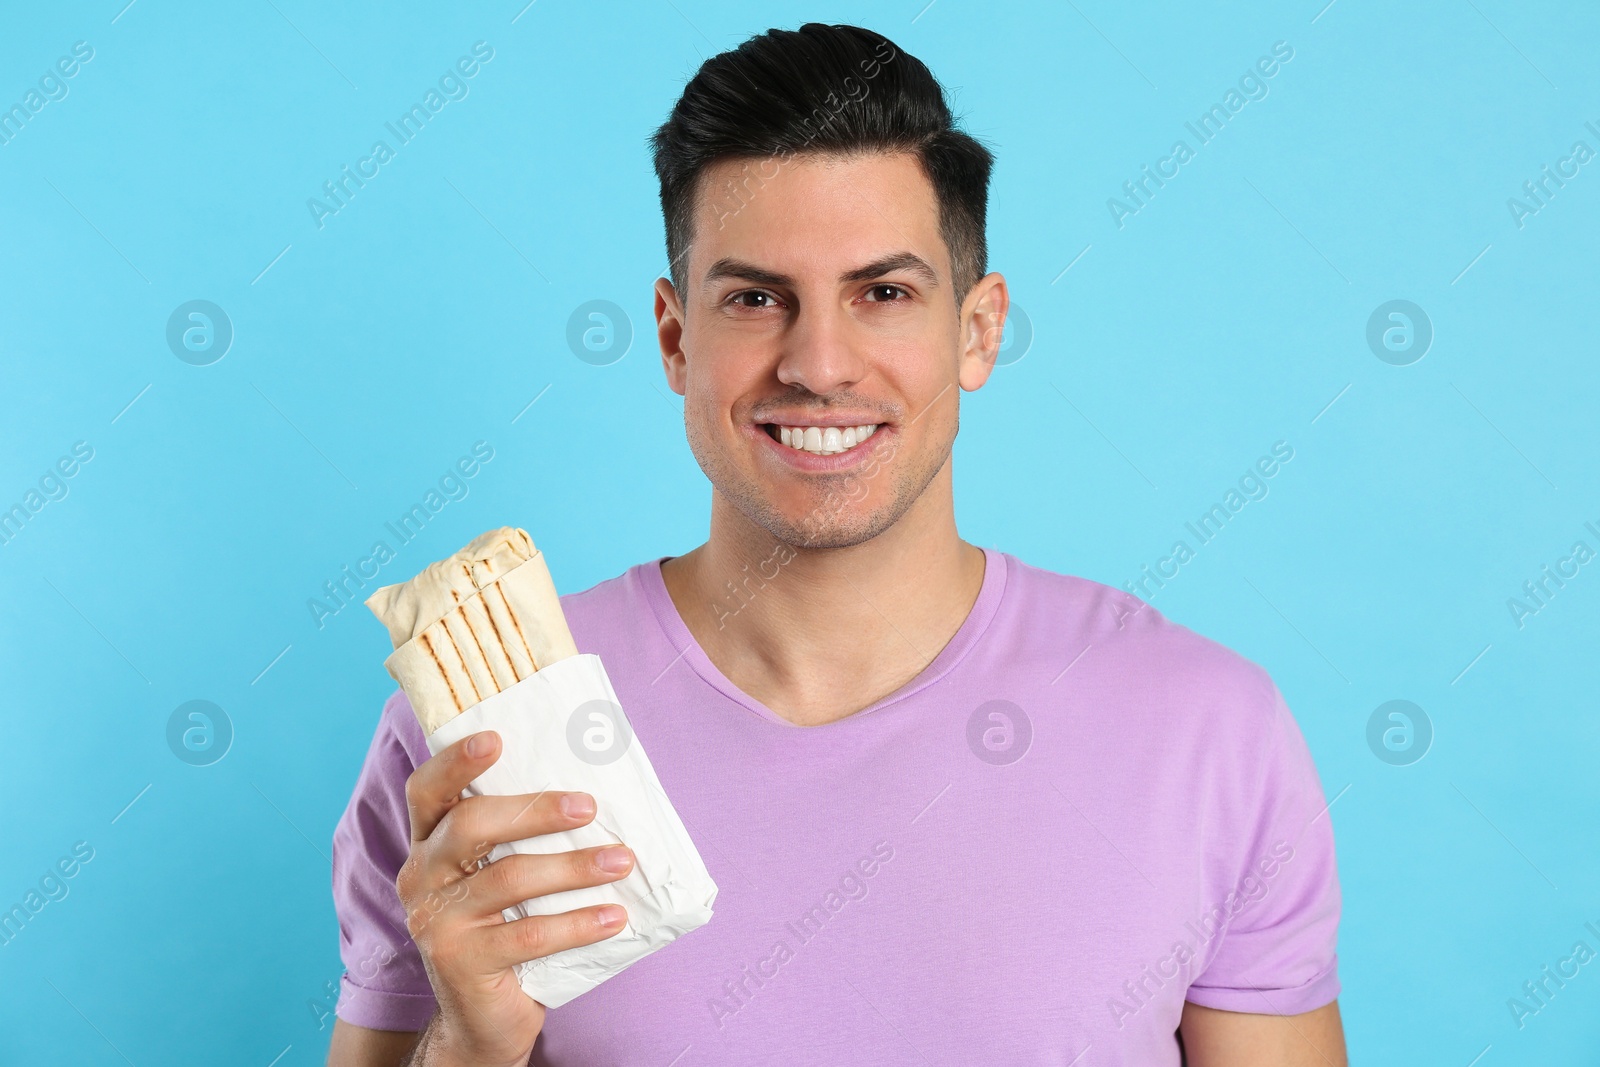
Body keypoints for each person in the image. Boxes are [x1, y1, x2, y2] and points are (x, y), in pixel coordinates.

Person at [326, 22, 1346, 1066]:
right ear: (677, 338)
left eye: (884, 293)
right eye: (757, 298)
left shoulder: (1204, 729)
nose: (818, 363)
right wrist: (465, 1044)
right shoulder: (473, 736)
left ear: (977, 330)